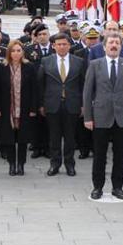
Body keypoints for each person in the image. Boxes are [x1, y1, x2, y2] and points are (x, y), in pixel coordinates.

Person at [83, 31, 123, 200]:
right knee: (99, 155)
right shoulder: (95, 64)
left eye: (117, 43)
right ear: (104, 46)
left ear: (121, 47)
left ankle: (118, 187)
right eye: (111, 43)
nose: (114, 45)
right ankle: (97, 187)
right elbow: (87, 93)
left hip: (122, 117)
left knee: (120, 155)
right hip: (100, 116)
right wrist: (87, 117)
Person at [38, 32, 86, 176]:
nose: (62, 47)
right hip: (53, 104)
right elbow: (41, 84)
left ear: (69, 45)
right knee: (54, 137)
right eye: (59, 44)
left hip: (72, 104)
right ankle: (55, 164)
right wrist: (41, 104)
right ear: (54, 46)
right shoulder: (46, 61)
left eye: (65, 44)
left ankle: (70, 164)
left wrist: (83, 104)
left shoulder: (79, 61)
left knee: (70, 137)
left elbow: (83, 84)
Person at [0, 40, 37, 176]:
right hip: (7, 108)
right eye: (13, 51)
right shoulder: (2, 67)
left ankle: (21, 164)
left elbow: (35, 89)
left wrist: (33, 108)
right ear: (9, 53)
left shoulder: (29, 67)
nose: (16, 53)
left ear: (23, 52)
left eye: (19, 50)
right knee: (9, 138)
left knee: (23, 139)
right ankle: (12, 164)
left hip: (24, 107)